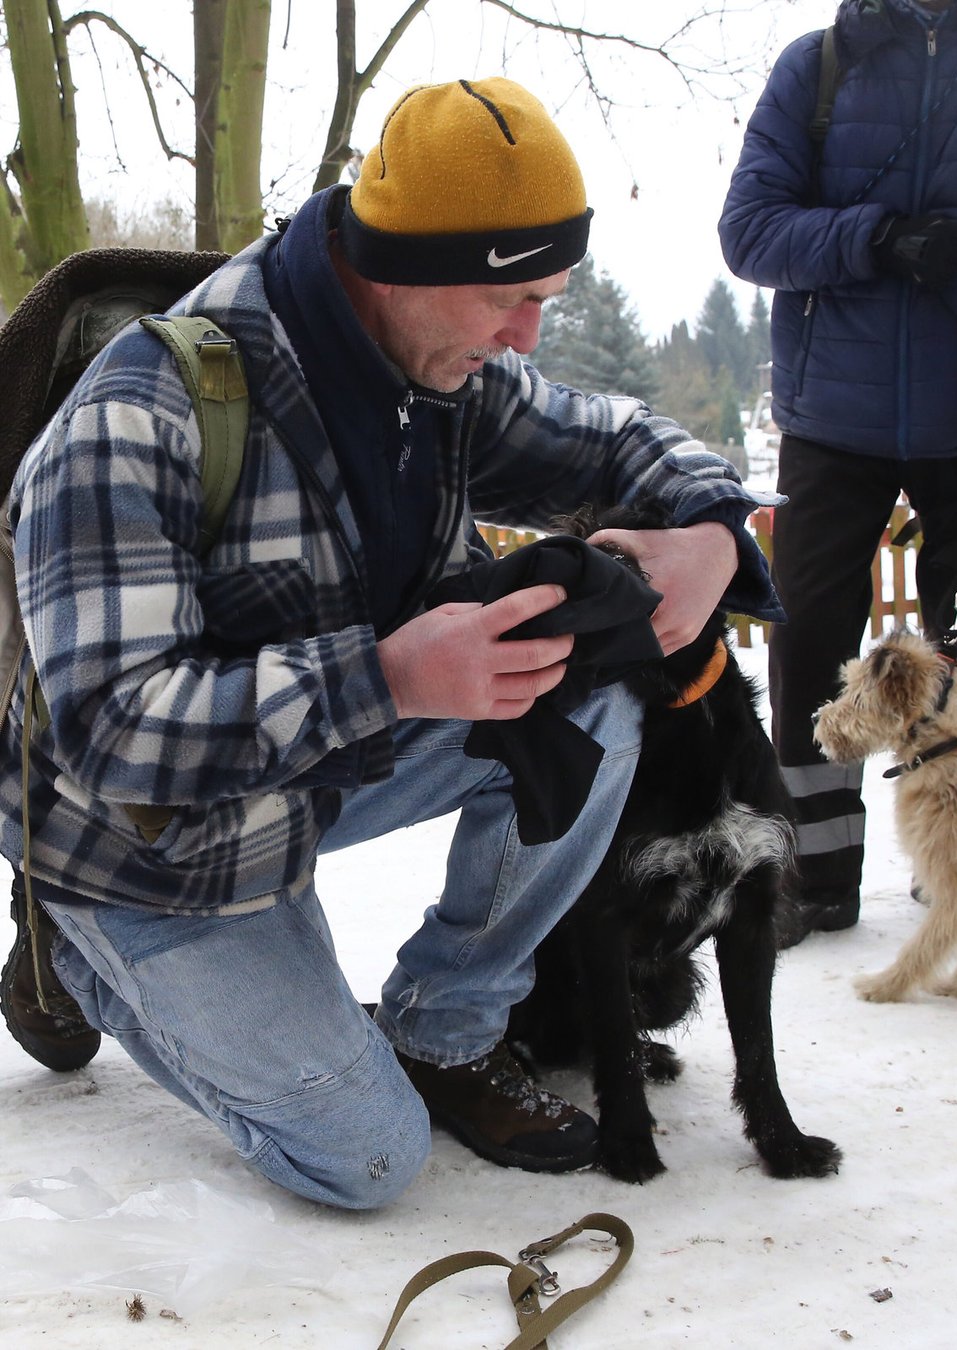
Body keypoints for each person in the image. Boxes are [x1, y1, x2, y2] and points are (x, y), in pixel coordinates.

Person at [0, 77, 781, 1209]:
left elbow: (617, 439)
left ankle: (448, 1026)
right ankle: (72, 951)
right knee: (368, 1158)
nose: (529, 335)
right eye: (509, 299)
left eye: (549, 297)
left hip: (317, 774)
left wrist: (712, 528)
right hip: (153, 846)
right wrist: (391, 674)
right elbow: (115, 732)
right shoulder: (141, 412)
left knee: (594, 690)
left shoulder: (438, 366)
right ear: (398, 266)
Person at [718, 0, 957, 945]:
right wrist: (877, 237)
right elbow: (748, 232)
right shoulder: (819, 67)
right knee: (807, 644)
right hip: (834, 417)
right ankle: (807, 876)